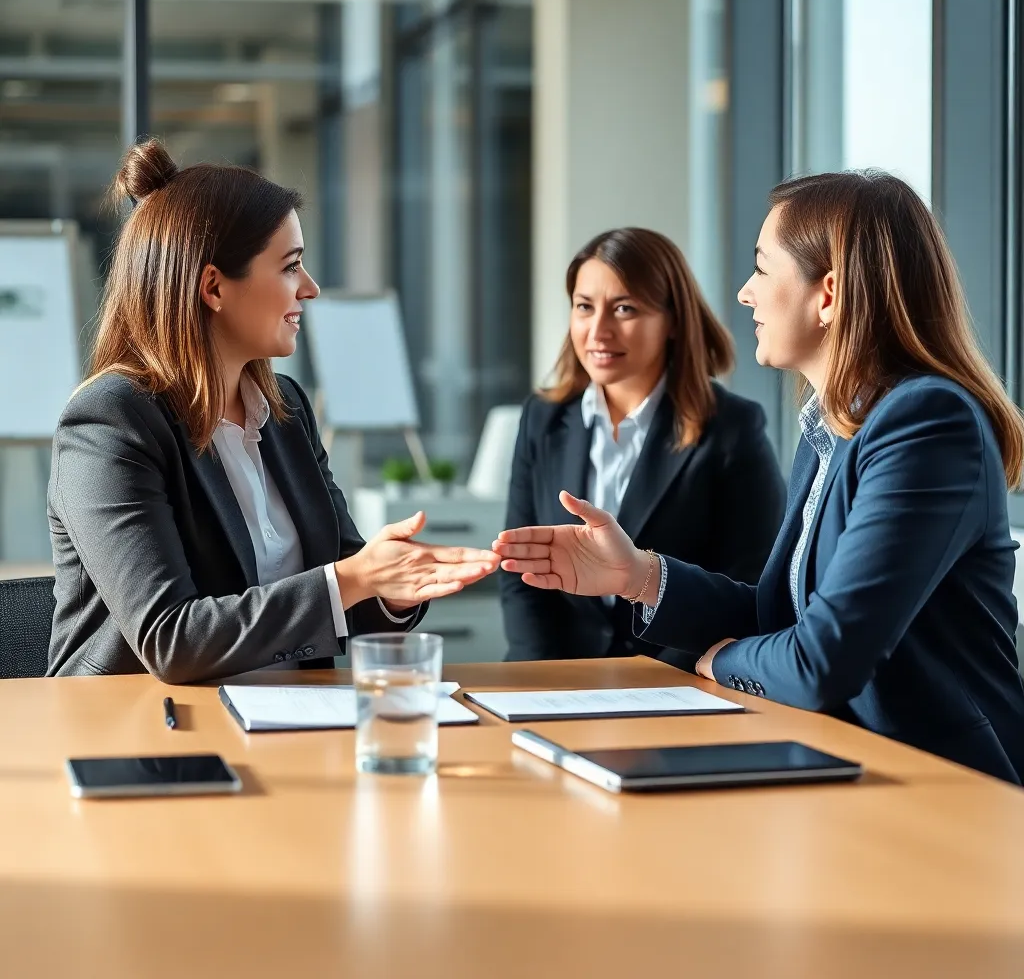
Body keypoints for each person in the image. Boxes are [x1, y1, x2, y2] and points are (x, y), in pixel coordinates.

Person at [495, 171, 1024, 783]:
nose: (745, 294)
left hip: (945, 785)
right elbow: (780, 614)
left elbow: (821, 659)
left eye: (762, 269)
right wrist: (637, 575)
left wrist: (718, 664)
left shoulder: (927, 422)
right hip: (839, 759)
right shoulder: (833, 426)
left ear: (828, 295)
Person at [47, 139, 498, 683]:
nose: (309, 289)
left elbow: (345, 588)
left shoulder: (287, 411)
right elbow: (171, 640)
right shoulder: (110, 421)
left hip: (293, 721)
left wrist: (393, 587)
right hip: (147, 734)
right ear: (213, 286)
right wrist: (354, 578)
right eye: (291, 267)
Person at [500, 227, 785, 668]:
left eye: (625, 309)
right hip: (553, 681)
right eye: (584, 307)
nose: (598, 330)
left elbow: (750, 585)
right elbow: (520, 573)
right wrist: (545, 677)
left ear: (672, 320)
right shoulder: (542, 418)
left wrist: (651, 682)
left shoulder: (732, 429)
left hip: (680, 683)